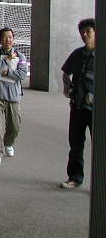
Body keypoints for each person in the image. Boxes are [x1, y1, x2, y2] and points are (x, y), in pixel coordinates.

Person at [60, 18, 96, 188]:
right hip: (78, 105)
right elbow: (65, 73)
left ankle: (99, 182)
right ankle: (74, 177)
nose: (84, 35)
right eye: (82, 32)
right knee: (75, 144)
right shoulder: (77, 54)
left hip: (96, 110)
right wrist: (67, 89)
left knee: (100, 148)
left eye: (88, 31)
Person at [0, 27, 28, 164]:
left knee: (15, 125)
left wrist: (7, 72)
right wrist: (7, 60)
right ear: (0, 40)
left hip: (13, 96)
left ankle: (8, 143)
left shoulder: (20, 56)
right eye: (5, 37)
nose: (8, 40)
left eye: (10, 37)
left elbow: (22, 74)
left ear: (13, 39)